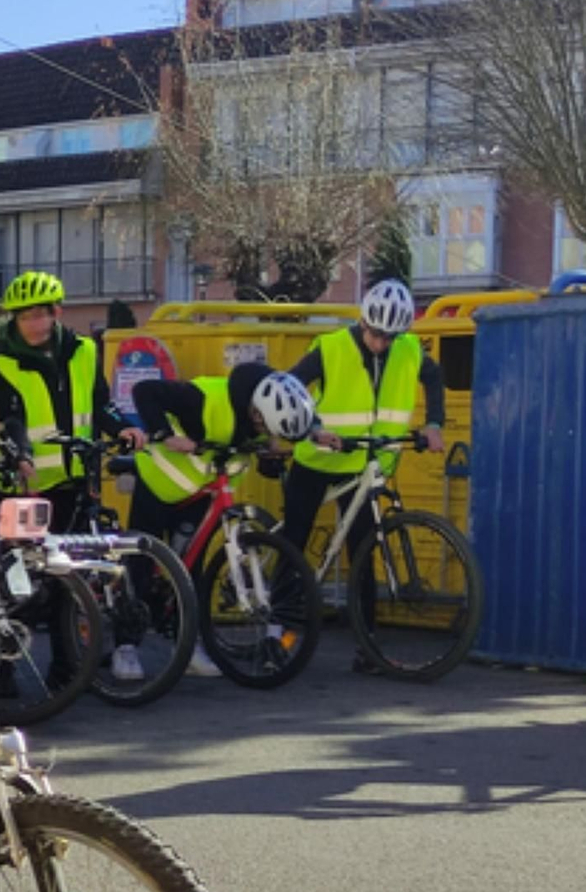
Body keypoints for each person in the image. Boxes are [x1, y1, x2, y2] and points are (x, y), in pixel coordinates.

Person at [280, 278, 445, 670]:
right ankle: (277, 631)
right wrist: (313, 427)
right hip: (317, 460)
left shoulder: (407, 348)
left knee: (365, 552)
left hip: (365, 465)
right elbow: (290, 387)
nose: (381, 343)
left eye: (390, 336)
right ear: (362, 322)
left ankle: (367, 645)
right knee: (294, 541)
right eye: (375, 334)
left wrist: (434, 423)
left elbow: (434, 377)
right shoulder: (331, 347)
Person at [123, 364, 319, 679]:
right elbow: (144, 391)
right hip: (158, 482)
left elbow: (289, 422)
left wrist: (309, 434)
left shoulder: (267, 404)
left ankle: (185, 645)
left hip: (199, 491)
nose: (270, 438)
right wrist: (166, 434)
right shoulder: (205, 399)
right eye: (269, 431)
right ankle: (126, 647)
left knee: (191, 568)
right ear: (257, 414)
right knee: (141, 563)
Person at [0, 272, 110, 529]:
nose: (32, 325)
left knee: (80, 561)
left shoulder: (85, 352)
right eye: (23, 317)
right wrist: (22, 455)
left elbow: (101, 405)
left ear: (56, 313)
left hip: (78, 480)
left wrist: (124, 427)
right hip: (26, 485)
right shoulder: (2, 365)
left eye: (38, 315)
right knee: (26, 564)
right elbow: (10, 419)